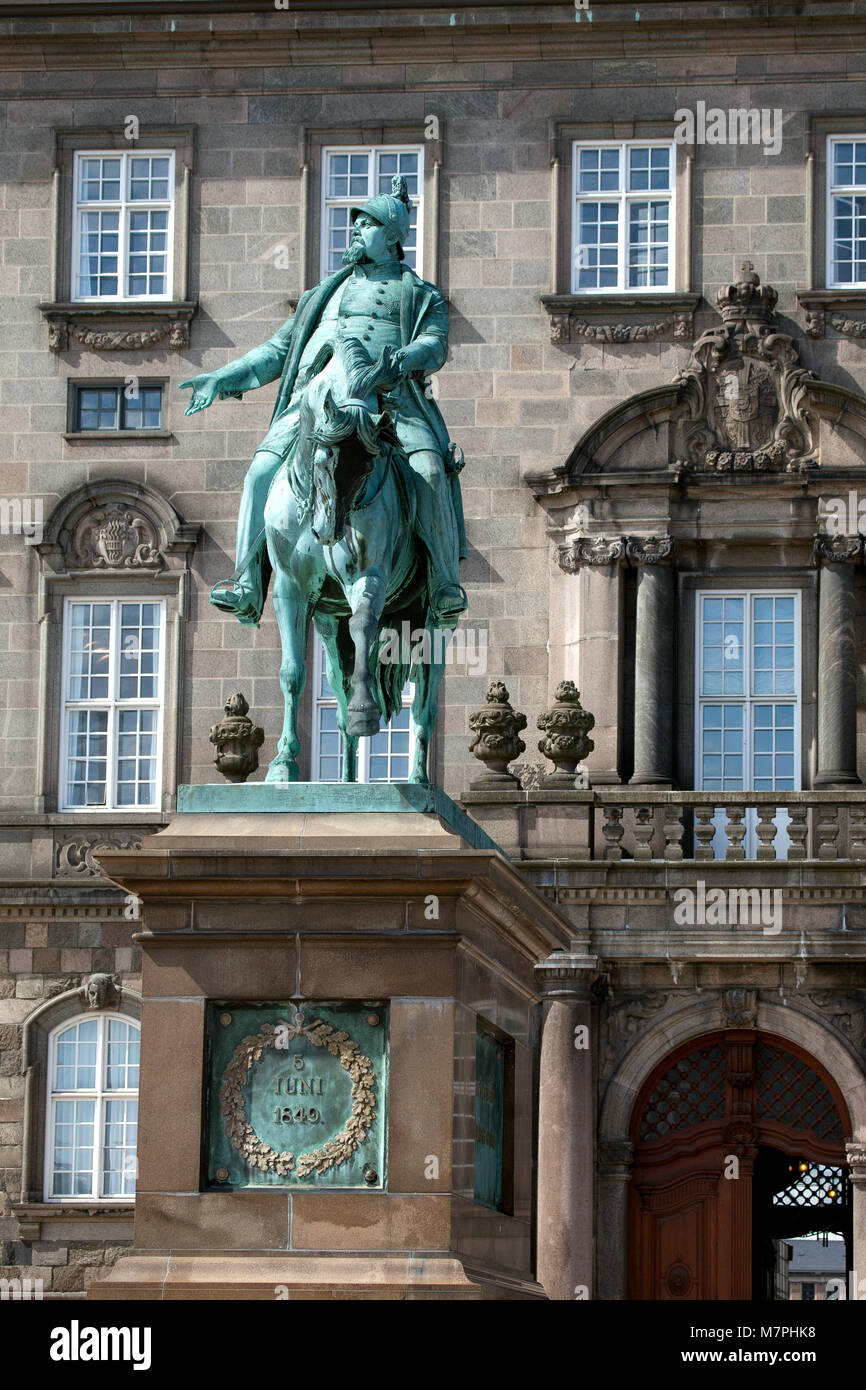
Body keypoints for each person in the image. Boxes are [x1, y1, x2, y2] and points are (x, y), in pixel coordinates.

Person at [181, 176, 467, 627]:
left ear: (392, 237)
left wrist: (404, 358)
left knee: (430, 469)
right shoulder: (322, 294)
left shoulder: (420, 294)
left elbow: (436, 344)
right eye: (354, 225)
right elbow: (278, 351)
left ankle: (445, 581)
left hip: (390, 402)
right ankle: (247, 582)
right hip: (312, 404)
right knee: (258, 473)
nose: (354, 232)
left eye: (366, 225)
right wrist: (223, 377)